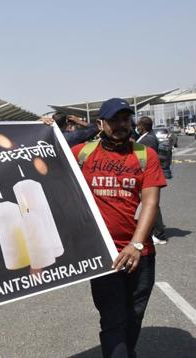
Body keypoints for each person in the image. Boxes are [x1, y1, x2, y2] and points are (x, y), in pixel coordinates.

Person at [71, 98, 166, 358]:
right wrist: (42, 126)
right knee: (113, 319)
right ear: (101, 123)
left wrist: (136, 244)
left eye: (125, 119)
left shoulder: (145, 155)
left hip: (140, 254)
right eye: (114, 120)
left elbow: (150, 201)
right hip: (103, 255)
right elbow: (41, 153)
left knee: (134, 315)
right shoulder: (82, 152)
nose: (121, 125)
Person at [135, 117, 167, 245]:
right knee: (150, 204)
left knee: (152, 205)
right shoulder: (147, 136)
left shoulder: (149, 139)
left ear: (142, 126)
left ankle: (159, 234)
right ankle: (156, 232)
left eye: (138, 125)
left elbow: (144, 157)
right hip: (146, 176)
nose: (137, 127)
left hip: (149, 176)